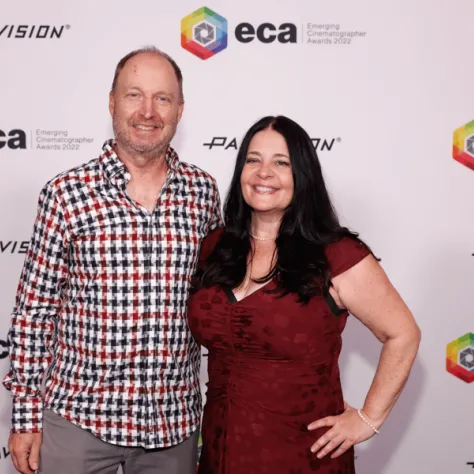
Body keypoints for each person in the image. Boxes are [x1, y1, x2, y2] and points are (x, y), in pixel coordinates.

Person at [3, 46, 222, 474]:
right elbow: (34, 313)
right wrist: (26, 416)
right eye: (133, 95)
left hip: (172, 426)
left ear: (180, 109)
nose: (148, 111)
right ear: (111, 102)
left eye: (162, 98)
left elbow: (217, 303)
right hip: (78, 421)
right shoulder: (66, 194)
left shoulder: (203, 194)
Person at [188, 115, 421, 473]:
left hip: (304, 456)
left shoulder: (336, 254)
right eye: (253, 160)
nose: (264, 172)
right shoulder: (216, 247)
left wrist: (369, 418)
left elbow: (403, 334)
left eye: (281, 163)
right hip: (220, 452)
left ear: (303, 175)